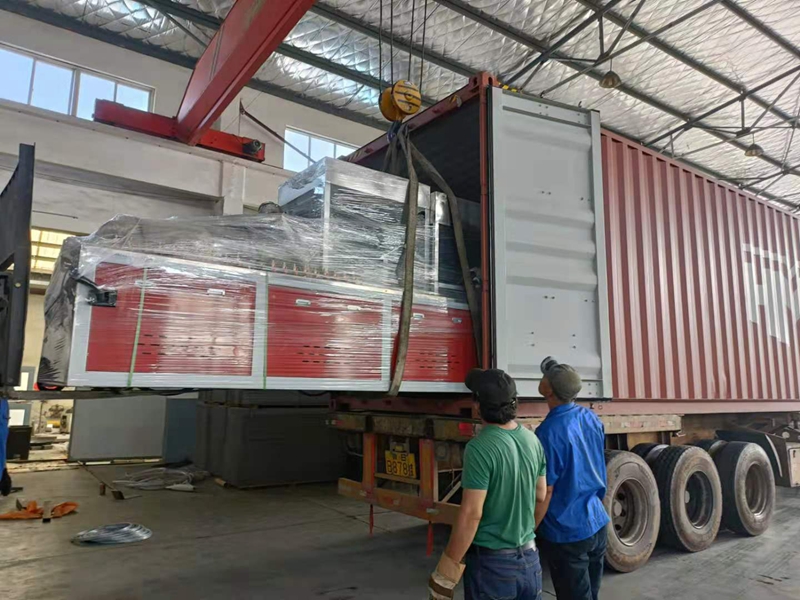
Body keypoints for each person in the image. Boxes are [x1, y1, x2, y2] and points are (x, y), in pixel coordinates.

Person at [428, 368, 548, 600]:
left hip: (494, 567)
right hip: (530, 561)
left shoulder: (479, 448)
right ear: (515, 403)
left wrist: (446, 570)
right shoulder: (532, 440)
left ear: (477, 406)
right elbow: (541, 495)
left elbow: (472, 514)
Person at [534, 357, 609, 600]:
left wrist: (528, 530)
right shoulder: (590, 418)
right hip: (597, 521)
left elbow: (547, 490)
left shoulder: (547, 432)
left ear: (548, 389)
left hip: (567, 531)